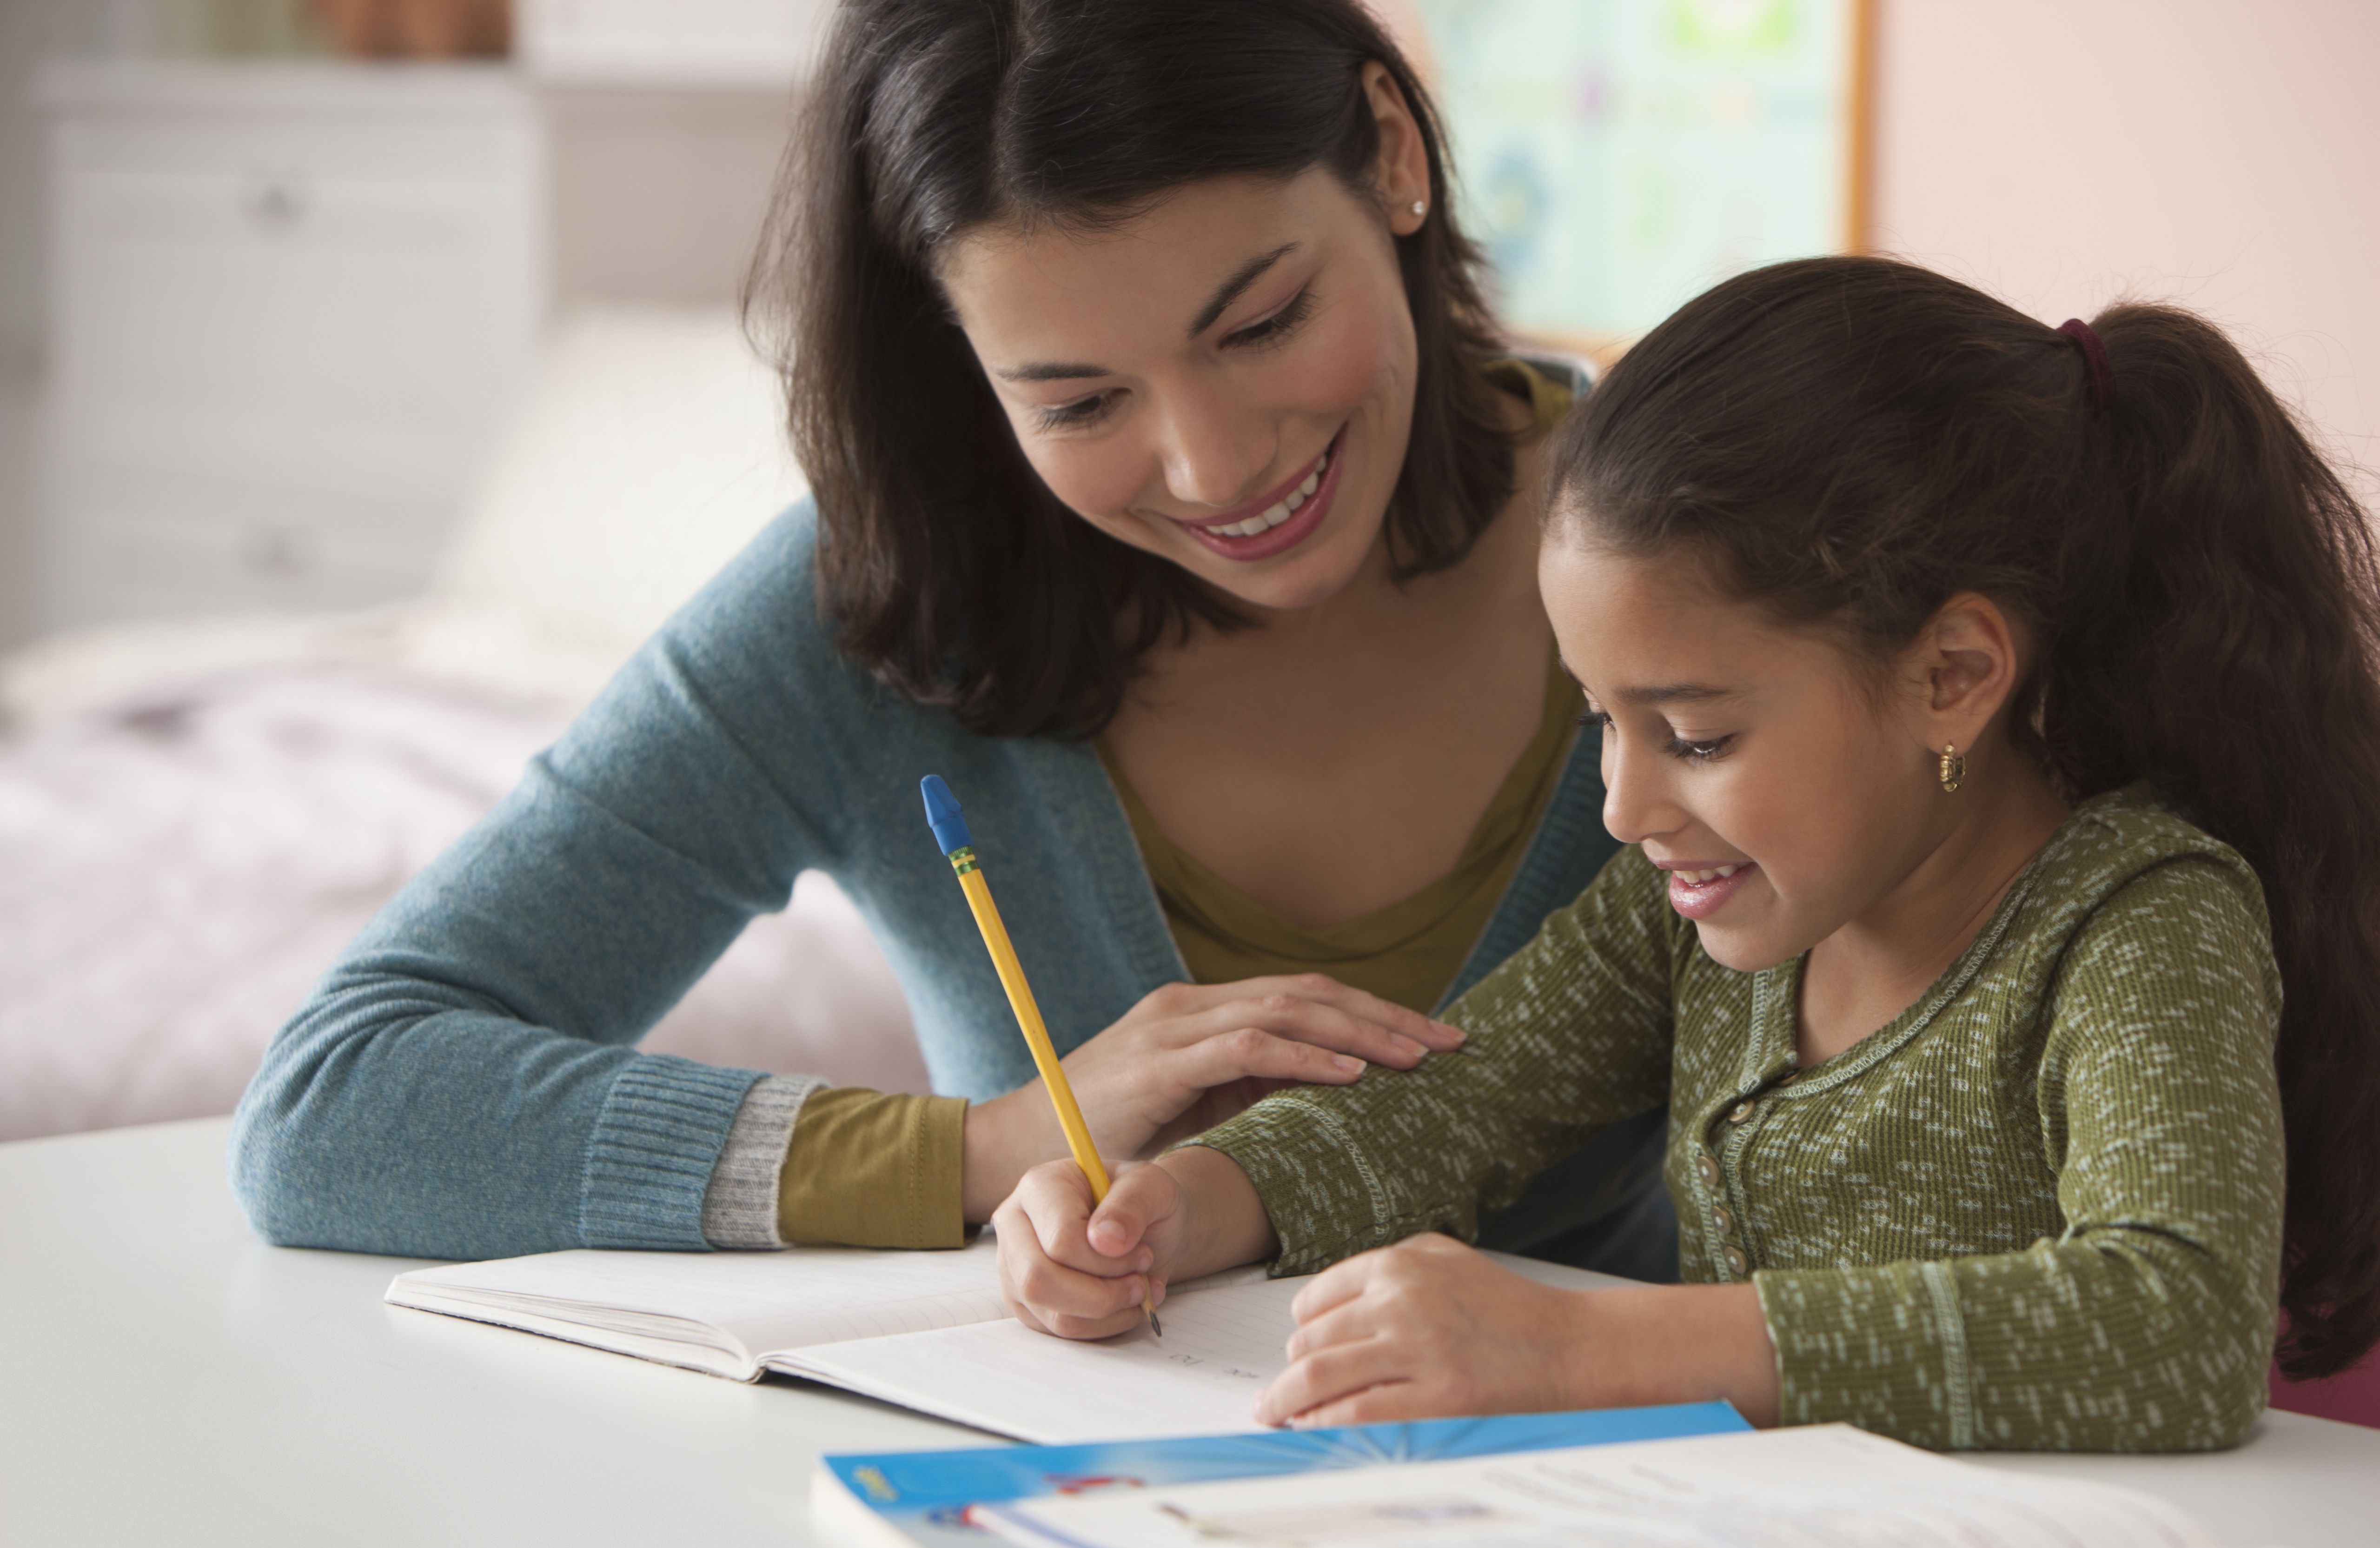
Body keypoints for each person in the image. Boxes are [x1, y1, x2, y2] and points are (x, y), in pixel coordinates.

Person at [227, 0, 1675, 1269]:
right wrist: (988, 1150)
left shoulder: (1708, 545)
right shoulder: (888, 601)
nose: (1215, 465)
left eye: (1261, 323)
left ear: (1394, 155)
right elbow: (340, 1100)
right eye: (1079, 403)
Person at [994, 255, 2380, 1451]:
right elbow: (1447, 1104)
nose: (1622, 805)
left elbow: (2175, 1328)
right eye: (1600, 722)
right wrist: (1176, 1205)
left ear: (1953, 674)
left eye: (1696, 737)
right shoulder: (1693, 918)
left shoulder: (2138, 919)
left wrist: (1594, 1352)